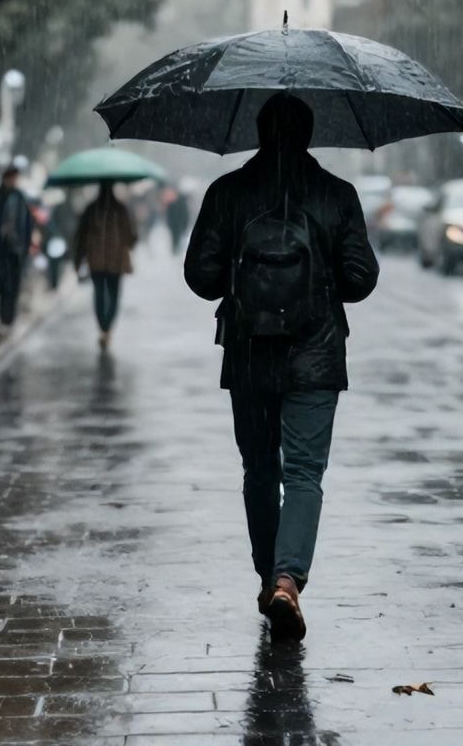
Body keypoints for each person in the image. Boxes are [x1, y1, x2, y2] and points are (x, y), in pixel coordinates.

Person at [184, 93, 379, 642]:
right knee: (304, 473)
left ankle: (267, 576)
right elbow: (361, 279)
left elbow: (200, 277)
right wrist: (316, 283)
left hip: (249, 353)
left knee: (259, 470)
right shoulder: (337, 194)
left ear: (258, 132)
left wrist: (244, 278)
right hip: (316, 352)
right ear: (310, 135)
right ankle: (287, 580)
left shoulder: (228, 192)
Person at [73, 181, 138, 349]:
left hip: (98, 260)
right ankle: (106, 328)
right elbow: (131, 236)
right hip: (114, 261)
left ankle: (104, 328)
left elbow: (81, 236)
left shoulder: (92, 209)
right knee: (112, 295)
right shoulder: (120, 210)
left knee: (100, 294)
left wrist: (78, 258)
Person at [0, 165, 35, 334]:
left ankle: (8, 318)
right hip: (0, 249)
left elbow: (27, 223)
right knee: (2, 284)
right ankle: (4, 318)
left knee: (14, 285)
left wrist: (25, 244)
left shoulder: (19, 197)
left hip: (16, 250)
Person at [165, 185, 193, 254]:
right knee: (175, 238)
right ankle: (175, 250)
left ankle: (176, 250)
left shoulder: (181, 202)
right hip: (174, 224)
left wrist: (185, 224)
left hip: (179, 224)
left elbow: (185, 214)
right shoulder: (171, 203)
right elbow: (169, 214)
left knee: (178, 238)